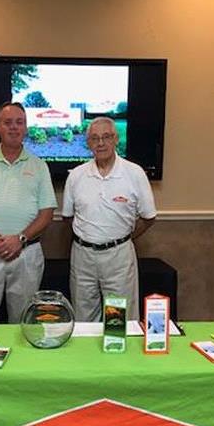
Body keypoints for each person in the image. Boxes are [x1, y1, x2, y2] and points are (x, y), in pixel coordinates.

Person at [0, 102, 57, 324]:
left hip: (27, 253)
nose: (14, 127)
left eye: (19, 122)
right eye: (7, 122)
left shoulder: (39, 166)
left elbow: (47, 213)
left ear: (25, 128)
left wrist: (20, 239)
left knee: (24, 322)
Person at [62, 117, 157, 322]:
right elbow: (68, 217)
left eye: (106, 137)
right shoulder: (76, 175)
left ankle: (118, 353)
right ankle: (86, 355)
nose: (101, 143)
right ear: (88, 143)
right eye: (95, 138)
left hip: (118, 257)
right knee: (83, 315)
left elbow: (148, 218)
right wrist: (91, 236)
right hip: (82, 256)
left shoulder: (134, 173)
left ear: (116, 139)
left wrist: (121, 238)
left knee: (118, 318)